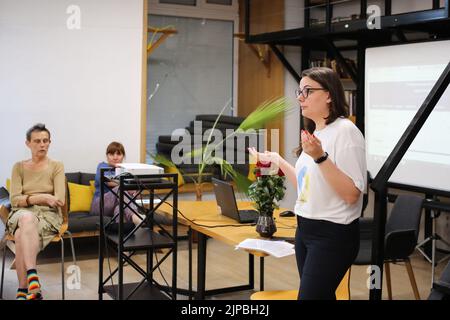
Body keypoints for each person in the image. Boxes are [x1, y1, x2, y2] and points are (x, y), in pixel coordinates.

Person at [249, 67, 366, 300]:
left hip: (332, 234)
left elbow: (352, 194)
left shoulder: (346, 131)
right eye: (299, 91)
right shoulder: (317, 131)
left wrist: (320, 157)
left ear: (329, 95)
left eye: (308, 91)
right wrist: (278, 161)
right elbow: (307, 185)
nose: (300, 97)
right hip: (305, 230)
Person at [7, 123, 65, 300]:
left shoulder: (57, 166)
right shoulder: (18, 167)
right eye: (38, 141)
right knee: (26, 217)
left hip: (48, 215)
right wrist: (42, 197)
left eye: (46, 141)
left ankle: (24, 291)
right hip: (21, 212)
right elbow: (14, 199)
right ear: (28, 144)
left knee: (19, 235)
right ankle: (32, 275)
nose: (42, 145)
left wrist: (30, 197)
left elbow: (59, 199)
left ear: (50, 142)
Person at [90, 142, 143, 226]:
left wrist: (135, 192)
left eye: (118, 154)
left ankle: (122, 235)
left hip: (116, 205)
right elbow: (109, 181)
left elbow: (137, 196)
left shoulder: (125, 170)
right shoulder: (102, 166)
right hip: (98, 206)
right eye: (111, 154)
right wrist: (129, 186)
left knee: (120, 208)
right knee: (120, 188)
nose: (115, 157)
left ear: (123, 156)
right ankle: (136, 216)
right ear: (107, 156)